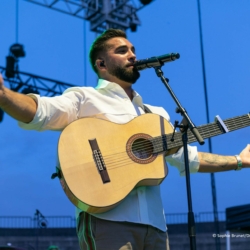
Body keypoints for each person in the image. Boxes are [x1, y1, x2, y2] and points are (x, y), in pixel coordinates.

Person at [0, 29, 249, 250]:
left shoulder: (156, 114)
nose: (133, 55)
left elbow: (190, 158)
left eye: (133, 50)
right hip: (107, 220)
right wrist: (4, 95)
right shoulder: (85, 98)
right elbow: (41, 111)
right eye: (122, 51)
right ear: (102, 64)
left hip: (157, 229)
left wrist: (240, 160)